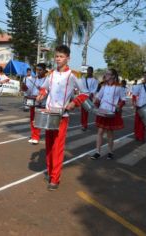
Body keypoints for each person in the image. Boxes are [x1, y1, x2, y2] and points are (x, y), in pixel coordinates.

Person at [36, 45, 89, 191]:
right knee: (48, 145)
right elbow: (45, 88)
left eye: (61, 56)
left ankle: (55, 178)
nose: (58, 59)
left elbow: (85, 93)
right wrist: (41, 94)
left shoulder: (73, 75)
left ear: (68, 58)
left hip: (62, 115)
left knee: (58, 148)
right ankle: (50, 171)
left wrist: (74, 102)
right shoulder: (51, 74)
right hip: (49, 113)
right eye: (57, 56)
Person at [91, 69, 125, 160]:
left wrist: (119, 106)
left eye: (108, 74)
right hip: (102, 111)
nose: (105, 75)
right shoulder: (104, 86)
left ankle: (110, 152)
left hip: (111, 112)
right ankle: (97, 152)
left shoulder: (119, 87)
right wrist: (95, 102)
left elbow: (123, 99)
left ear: (113, 76)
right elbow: (98, 97)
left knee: (110, 133)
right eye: (105, 73)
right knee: (100, 132)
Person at [22, 63, 47, 144]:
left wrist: (41, 93)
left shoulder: (47, 80)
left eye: (40, 70)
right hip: (33, 101)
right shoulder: (33, 79)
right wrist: (24, 88)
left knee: (38, 120)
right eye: (37, 70)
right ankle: (33, 136)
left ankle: (36, 136)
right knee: (32, 120)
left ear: (44, 70)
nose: (38, 72)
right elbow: (29, 91)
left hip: (42, 102)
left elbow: (47, 92)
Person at [80, 66, 98, 131]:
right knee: (83, 111)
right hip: (83, 95)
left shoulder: (95, 80)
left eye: (90, 71)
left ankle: (85, 125)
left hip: (89, 96)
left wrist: (91, 94)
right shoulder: (83, 78)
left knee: (87, 111)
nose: (89, 72)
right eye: (88, 70)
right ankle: (83, 125)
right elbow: (81, 86)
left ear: (92, 72)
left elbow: (95, 88)